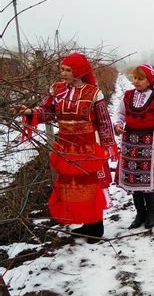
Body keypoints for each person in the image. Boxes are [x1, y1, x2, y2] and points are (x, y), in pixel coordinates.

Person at [12, 52, 117, 243]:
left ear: (79, 71)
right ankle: (86, 223)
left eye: (68, 70)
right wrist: (29, 111)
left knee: (91, 186)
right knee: (73, 187)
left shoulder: (93, 93)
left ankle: (97, 227)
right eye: (62, 69)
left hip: (88, 147)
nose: (63, 72)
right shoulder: (57, 90)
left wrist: (109, 144)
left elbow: (103, 121)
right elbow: (47, 112)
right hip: (66, 147)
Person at [114, 64, 154, 229]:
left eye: (140, 79)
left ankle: (150, 214)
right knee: (134, 180)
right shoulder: (127, 96)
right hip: (130, 142)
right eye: (134, 78)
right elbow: (120, 113)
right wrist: (119, 124)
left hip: (149, 142)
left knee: (148, 182)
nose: (136, 81)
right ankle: (139, 213)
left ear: (149, 81)